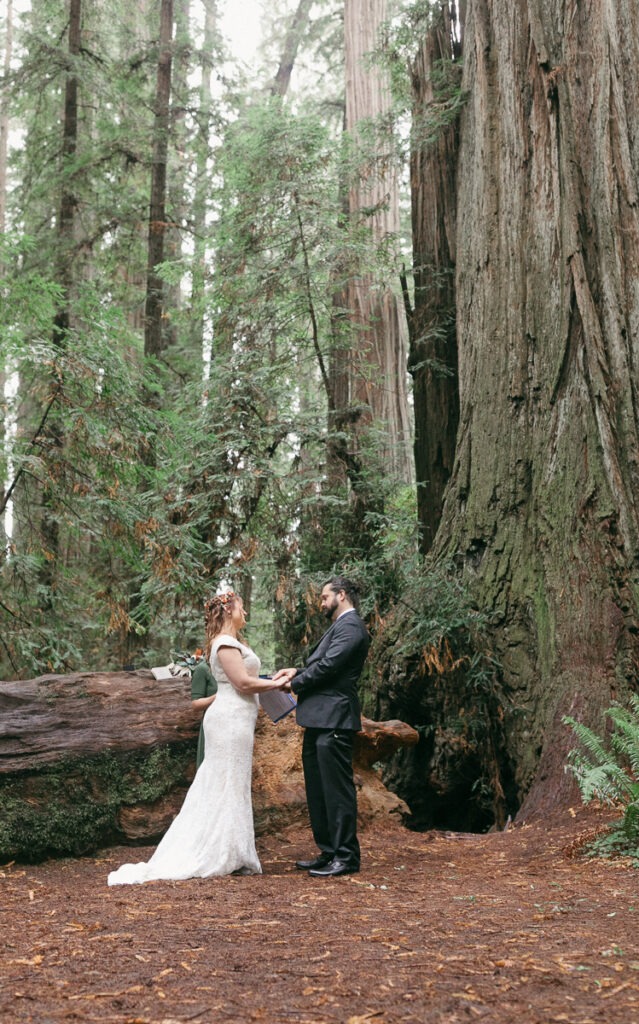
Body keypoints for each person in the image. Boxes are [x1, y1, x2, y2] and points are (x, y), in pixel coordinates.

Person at [108, 590, 284, 885]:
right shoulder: (225, 644)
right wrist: (277, 684)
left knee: (234, 782)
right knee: (223, 780)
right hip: (228, 720)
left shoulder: (234, 643)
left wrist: (272, 683)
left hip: (239, 719)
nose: (245, 613)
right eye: (241, 607)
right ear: (228, 610)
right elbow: (241, 682)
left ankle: (236, 850)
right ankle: (219, 851)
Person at [273, 576, 370, 878]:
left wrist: (295, 683)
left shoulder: (352, 626)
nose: (321, 602)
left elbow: (331, 666)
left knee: (337, 790)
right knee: (318, 789)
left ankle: (346, 857)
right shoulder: (340, 626)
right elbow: (324, 662)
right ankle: (328, 851)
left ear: (342, 595)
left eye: (325, 596)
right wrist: (298, 670)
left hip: (335, 719)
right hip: (318, 719)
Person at [190, 650, 217, 769]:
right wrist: (219, 696)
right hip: (213, 724)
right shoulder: (203, 669)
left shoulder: (232, 668)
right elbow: (196, 704)